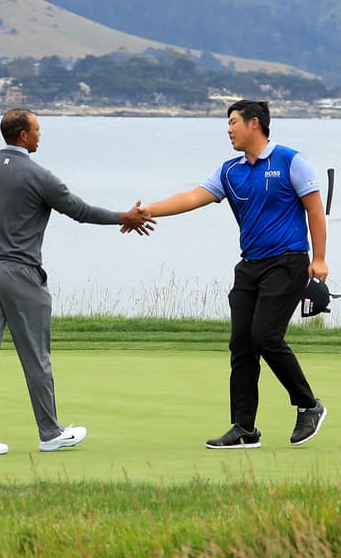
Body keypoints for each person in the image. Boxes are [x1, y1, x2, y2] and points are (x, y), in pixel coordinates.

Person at [0, 108, 155, 456]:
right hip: (20, 274)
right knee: (36, 355)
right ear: (23, 135)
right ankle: (50, 432)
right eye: (37, 130)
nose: (40, 135)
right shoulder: (39, 176)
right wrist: (122, 217)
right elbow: (79, 211)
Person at [141, 99, 329, 449]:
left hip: (288, 262)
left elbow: (315, 211)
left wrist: (319, 260)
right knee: (241, 344)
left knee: (265, 337)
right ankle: (244, 428)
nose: (228, 129)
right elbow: (191, 197)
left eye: (232, 122)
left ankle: (309, 405)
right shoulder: (230, 171)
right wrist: (148, 210)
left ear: (253, 123)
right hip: (250, 267)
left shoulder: (291, 161)